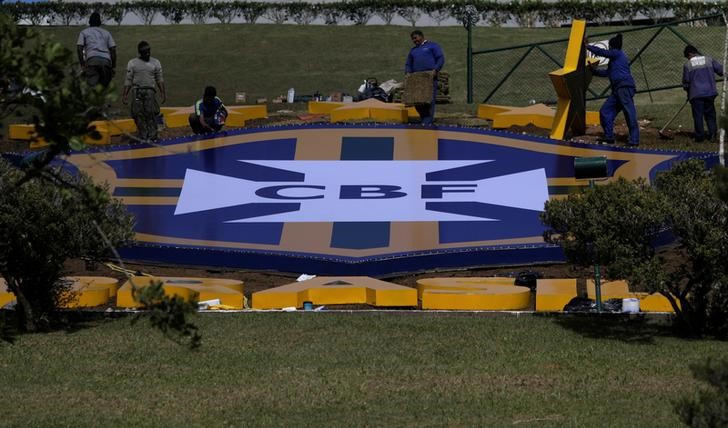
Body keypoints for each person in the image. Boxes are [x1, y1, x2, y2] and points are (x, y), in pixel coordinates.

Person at [586, 34, 639, 146]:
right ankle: (609, 137)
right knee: (604, 112)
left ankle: (634, 140)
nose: (609, 48)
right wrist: (593, 71)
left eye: (609, 46)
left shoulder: (617, 53)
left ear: (612, 46)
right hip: (617, 90)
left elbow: (602, 52)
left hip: (624, 88)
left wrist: (587, 46)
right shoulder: (615, 59)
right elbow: (607, 73)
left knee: (629, 113)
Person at [122, 41, 165, 143]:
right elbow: (128, 79)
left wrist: (163, 93)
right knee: (138, 114)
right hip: (137, 91)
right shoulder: (132, 63)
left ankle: (153, 136)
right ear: (139, 52)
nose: (147, 54)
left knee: (151, 113)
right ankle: (142, 135)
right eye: (145, 52)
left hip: (150, 91)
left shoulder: (155, 62)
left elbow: (159, 78)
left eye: (149, 51)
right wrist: (125, 95)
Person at [683, 44, 724, 143]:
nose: (688, 59)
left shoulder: (688, 65)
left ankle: (699, 137)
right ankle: (713, 135)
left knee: (698, 116)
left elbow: (686, 82)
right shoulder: (708, 59)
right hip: (710, 92)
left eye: (687, 57)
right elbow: (721, 70)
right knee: (710, 114)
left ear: (690, 54)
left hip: (696, 94)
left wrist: (688, 93)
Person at [405, 30, 444, 125]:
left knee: (429, 100)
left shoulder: (432, 46)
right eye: (412, 39)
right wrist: (407, 72)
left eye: (415, 38)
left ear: (421, 36)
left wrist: (436, 69)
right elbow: (408, 63)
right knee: (416, 100)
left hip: (429, 77)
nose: (414, 40)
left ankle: (427, 121)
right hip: (416, 78)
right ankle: (424, 119)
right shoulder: (413, 50)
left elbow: (440, 58)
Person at [76, 11, 116, 88]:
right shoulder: (106, 33)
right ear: (100, 22)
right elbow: (113, 49)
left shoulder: (84, 32)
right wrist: (113, 66)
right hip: (106, 62)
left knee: (92, 89)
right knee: (104, 89)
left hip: (92, 61)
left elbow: (79, 48)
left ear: (89, 22)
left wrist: (82, 64)